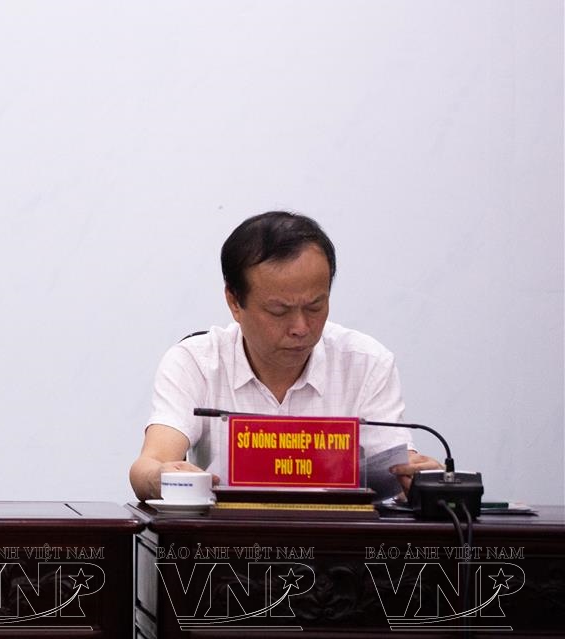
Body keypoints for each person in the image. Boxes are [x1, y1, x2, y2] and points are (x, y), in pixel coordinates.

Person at [129, 210, 442, 502]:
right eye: (279, 311)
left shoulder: (366, 364)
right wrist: (161, 477)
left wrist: (419, 481)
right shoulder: (196, 363)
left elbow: (398, 471)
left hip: (336, 538)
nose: (301, 328)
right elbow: (150, 464)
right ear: (235, 302)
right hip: (228, 538)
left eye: (315, 306)